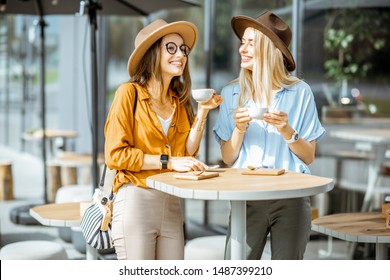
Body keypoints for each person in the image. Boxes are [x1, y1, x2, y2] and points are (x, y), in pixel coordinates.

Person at [104, 19, 222, 260]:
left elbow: (187, 154)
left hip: (172, 203)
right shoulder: (128, 94)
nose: (180, 54)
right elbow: (115, 155)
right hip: (137, 199)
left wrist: (202, 112)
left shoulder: (178, 101)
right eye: (171, 47)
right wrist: (169, 161)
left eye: (183, 49)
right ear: (152, 54)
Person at [213, 11, 325, 260]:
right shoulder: (231, 93)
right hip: (246, 197)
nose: (243, 48)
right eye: (243, 42)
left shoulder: (300, 92)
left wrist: (287, 130)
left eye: (251, 43)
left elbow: (308, 157)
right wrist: (239, 130)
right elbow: (228, 157)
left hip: (291, 197)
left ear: (270, 49)